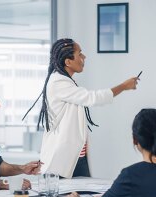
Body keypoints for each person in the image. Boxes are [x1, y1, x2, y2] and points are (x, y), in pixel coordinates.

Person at [23, 38, 139, 178]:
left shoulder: (65, 81)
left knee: (85, 196)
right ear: (68, 61)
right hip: (63, 159)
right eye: (80, 54)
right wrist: (124, 86)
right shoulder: (59, 82)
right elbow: (92, 98)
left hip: (77, 156)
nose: (84, 57)